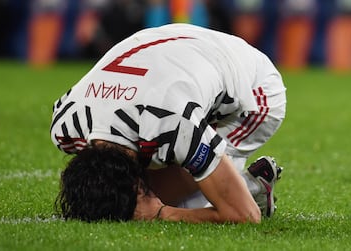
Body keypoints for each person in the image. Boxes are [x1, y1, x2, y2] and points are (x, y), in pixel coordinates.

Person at [50, 23, 286, 223]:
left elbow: (244, 216)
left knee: (176, 199)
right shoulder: (66, 123)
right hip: (177, 46)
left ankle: (251, 189)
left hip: (255, 89)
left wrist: (161, 213)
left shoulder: (171, 125)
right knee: (144, 187)